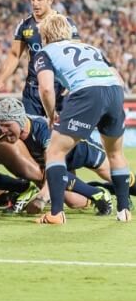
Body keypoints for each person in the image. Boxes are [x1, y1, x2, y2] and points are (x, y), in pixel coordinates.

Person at [34, 14, 131, 224]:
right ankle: (124, 210)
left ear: (45, 34)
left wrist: (52, 115)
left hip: (87, 94)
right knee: (115, 153)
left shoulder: (45, 53)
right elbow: (119, 80)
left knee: (54, 152)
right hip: (114, 91)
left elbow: (46, 88)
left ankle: (56, 214)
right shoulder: (92, 48)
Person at [0, 0, 79, 116]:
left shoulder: (65, 23)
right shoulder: (25, 25)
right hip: (33, 89)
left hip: (59, 87)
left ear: (50, 0)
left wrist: (72, 81)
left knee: (59, 134)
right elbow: (15, 55)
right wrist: (1, 79)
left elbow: (76, 53)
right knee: (31, 132)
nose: (35, 3)